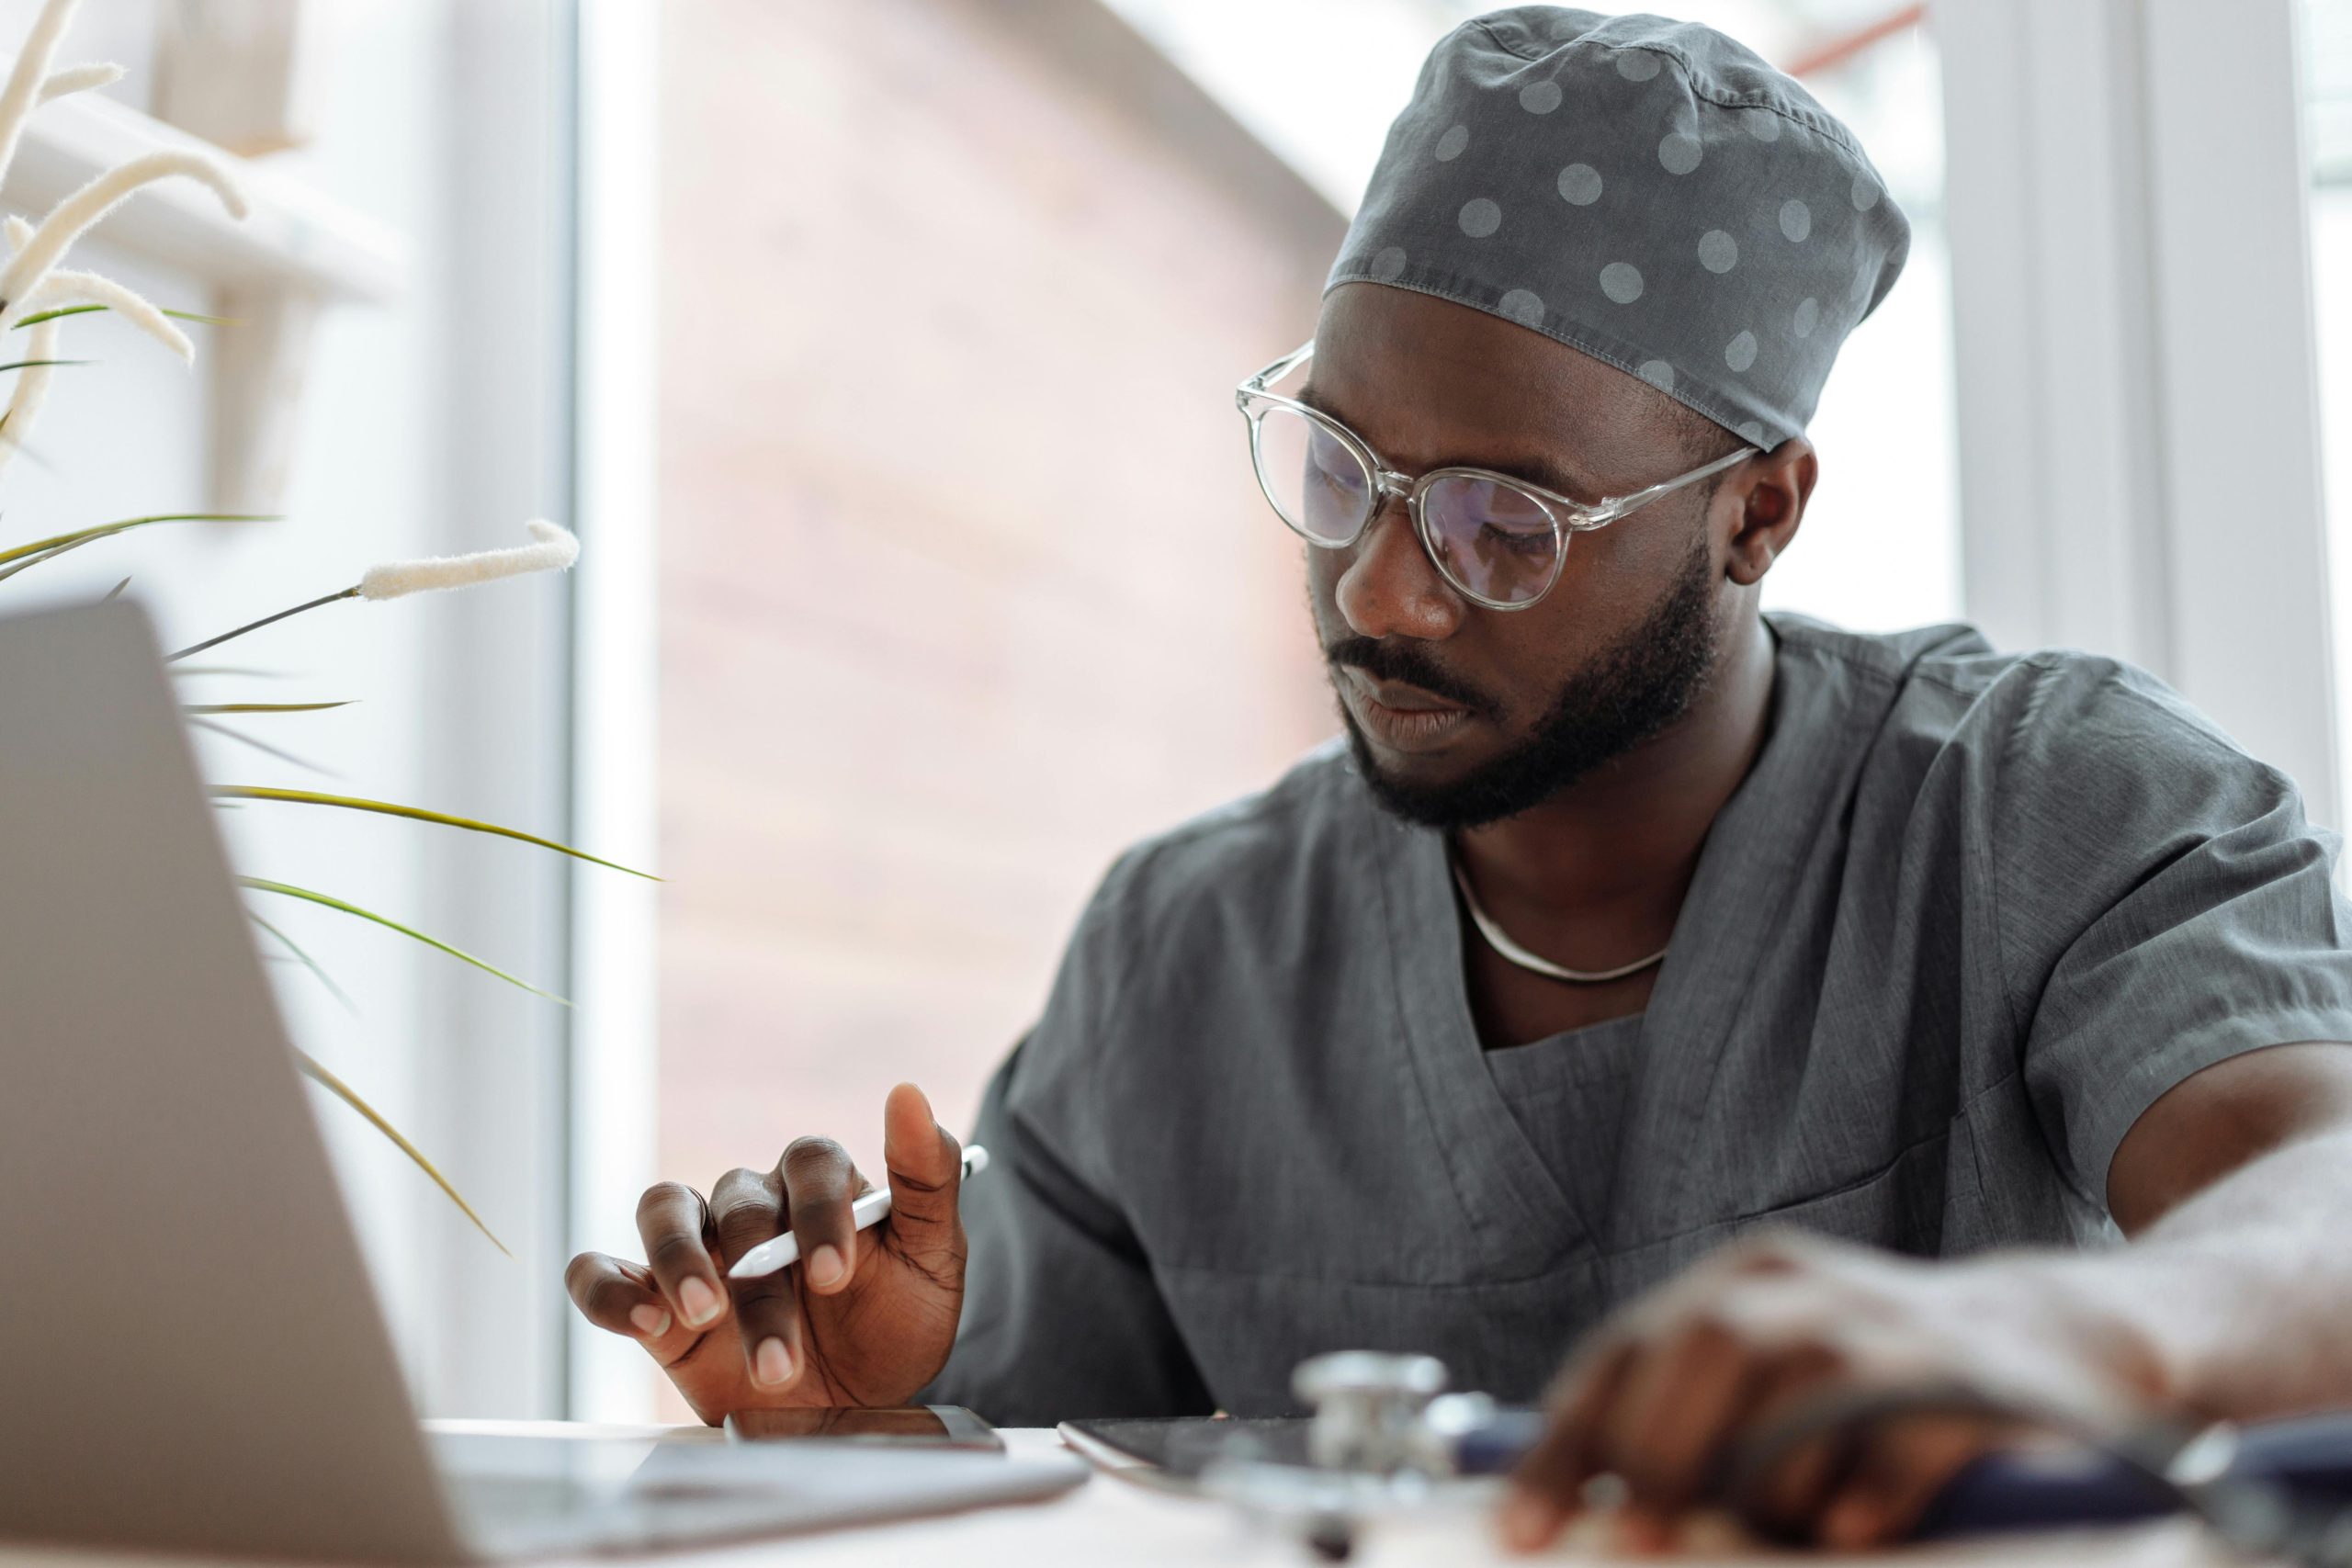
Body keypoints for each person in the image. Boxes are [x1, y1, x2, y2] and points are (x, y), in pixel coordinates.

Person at [566, 6, 2352, 1551]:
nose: (1378, 590)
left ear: (1756, 512)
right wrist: (874, 1399)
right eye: (1338, 468)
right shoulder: (1192, 954)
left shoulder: (2045, 812)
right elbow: (1046, 1468)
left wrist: (2080, 1338)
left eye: (1506, 522)